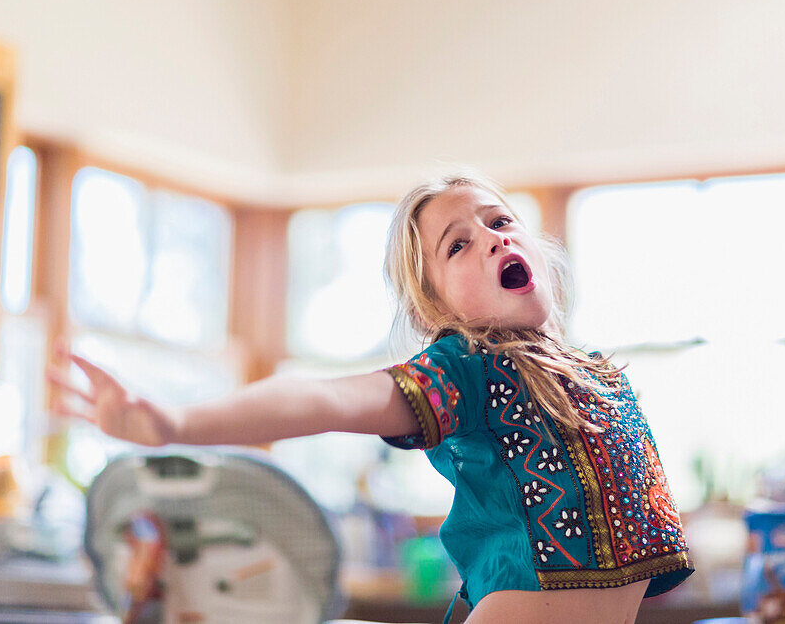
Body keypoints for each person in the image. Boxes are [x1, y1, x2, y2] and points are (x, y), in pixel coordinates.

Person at [48, 171, 694, 624]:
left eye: (500, 220)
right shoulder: (469, 368)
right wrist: (175, 421)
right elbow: (327, 398)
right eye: (458, 243)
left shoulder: (606, 382)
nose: (493, 236)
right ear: (434, 306)